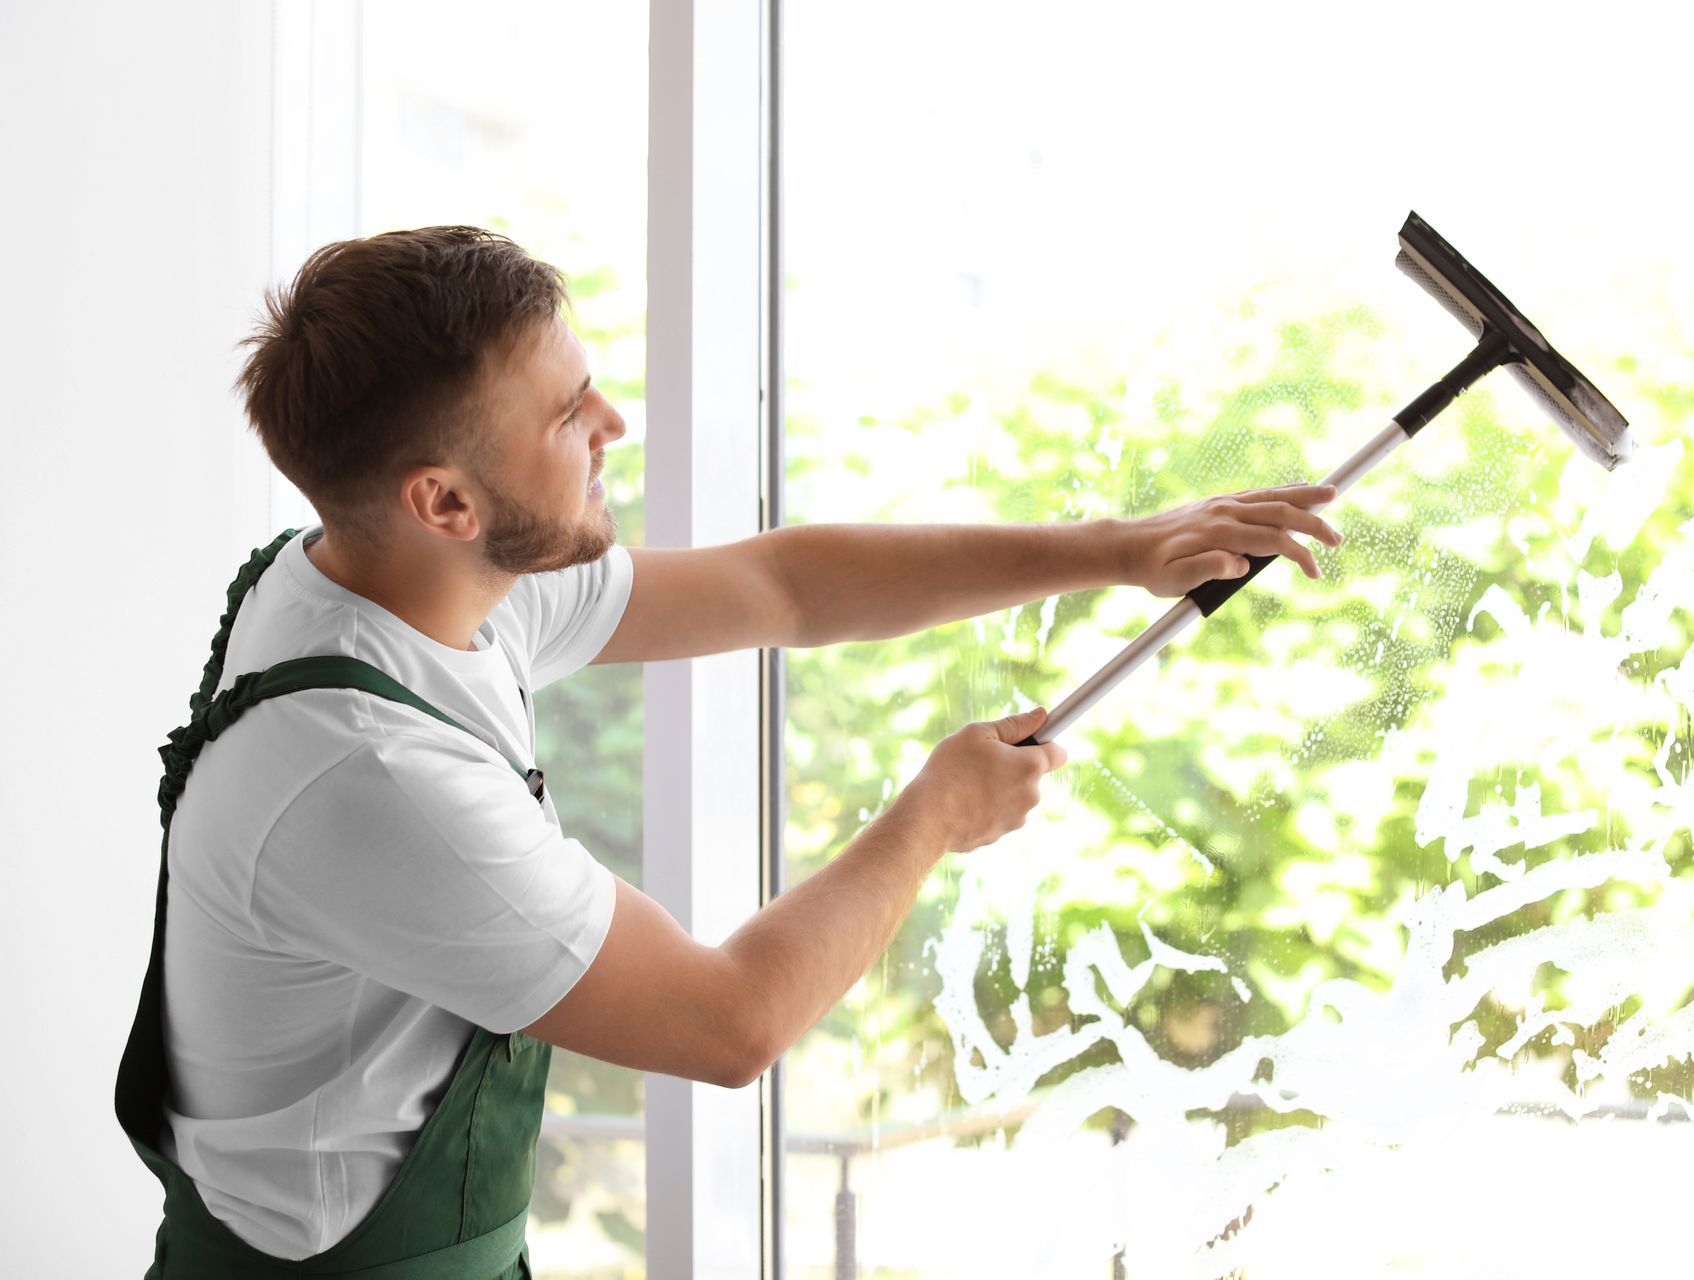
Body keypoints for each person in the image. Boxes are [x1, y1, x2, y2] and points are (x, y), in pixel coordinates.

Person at [115, 226, 1341, 1275]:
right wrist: (933, 816)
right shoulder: (373, 777)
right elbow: (729, 1021)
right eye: (566, 412)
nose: (613, 420)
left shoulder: (391, 583)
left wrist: (1121, 548)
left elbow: (780, 586)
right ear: (446, 500)